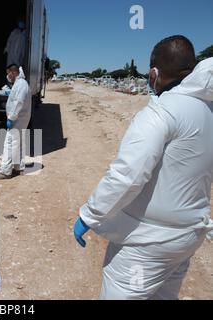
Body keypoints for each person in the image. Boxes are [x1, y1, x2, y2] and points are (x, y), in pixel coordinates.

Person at [74, 35, 213, 300]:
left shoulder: (161, 111)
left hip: (148, 242)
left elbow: (128, 175)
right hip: (188, 235)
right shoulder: (208, 111)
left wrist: (89, 215)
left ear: (154, 73)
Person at [0, 64, 31, 180]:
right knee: (18, 143)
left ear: (13, 72)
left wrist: (11, 118)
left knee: (9, 144)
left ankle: (5, 171)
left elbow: (18, 102)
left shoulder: (21, 84)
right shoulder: (20, 84)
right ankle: (19, 167)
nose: (7, 76)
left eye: (8, 73)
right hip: (20, 119)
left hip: (17, 119)